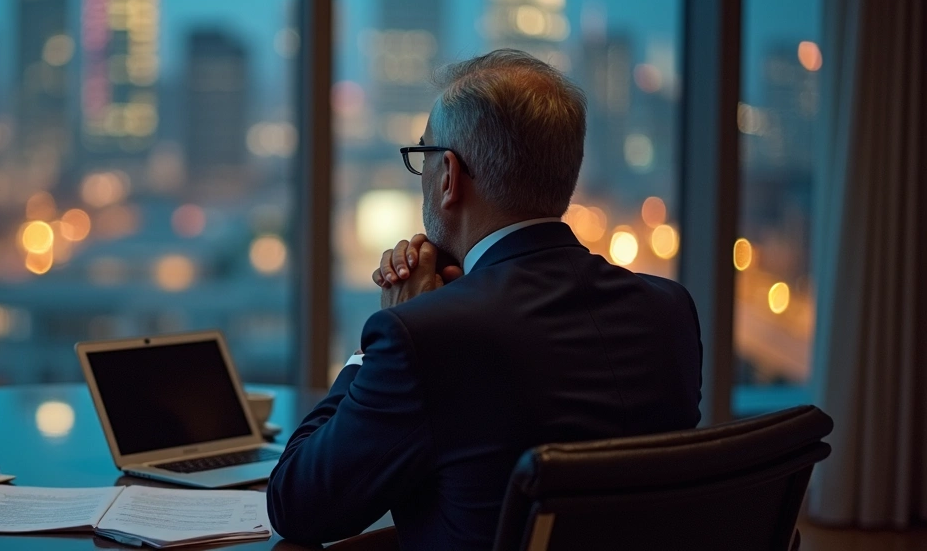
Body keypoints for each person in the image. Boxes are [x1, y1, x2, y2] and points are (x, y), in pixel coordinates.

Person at [267, 50, 702, 549]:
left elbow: (295, 504)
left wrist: (382, 340)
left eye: (424, 157)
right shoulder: (669, 310)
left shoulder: (426, 336)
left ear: (449, 176)